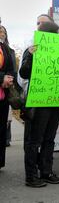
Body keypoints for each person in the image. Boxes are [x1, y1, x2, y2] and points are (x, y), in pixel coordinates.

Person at [20, 22, 59, 187]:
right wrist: (30, 56)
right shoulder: (32, 49)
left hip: (55, 100)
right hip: (39, 102)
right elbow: (24, 73)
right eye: (55, 34)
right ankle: (31, 176)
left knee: (49, 139)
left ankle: (46, 172)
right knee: (34, 140)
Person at [0, 25, 15, 170]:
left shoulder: (7, 50)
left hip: (3, 94)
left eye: (4, 31)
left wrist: (8, 78)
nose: (2, 34)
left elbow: (11, 68)